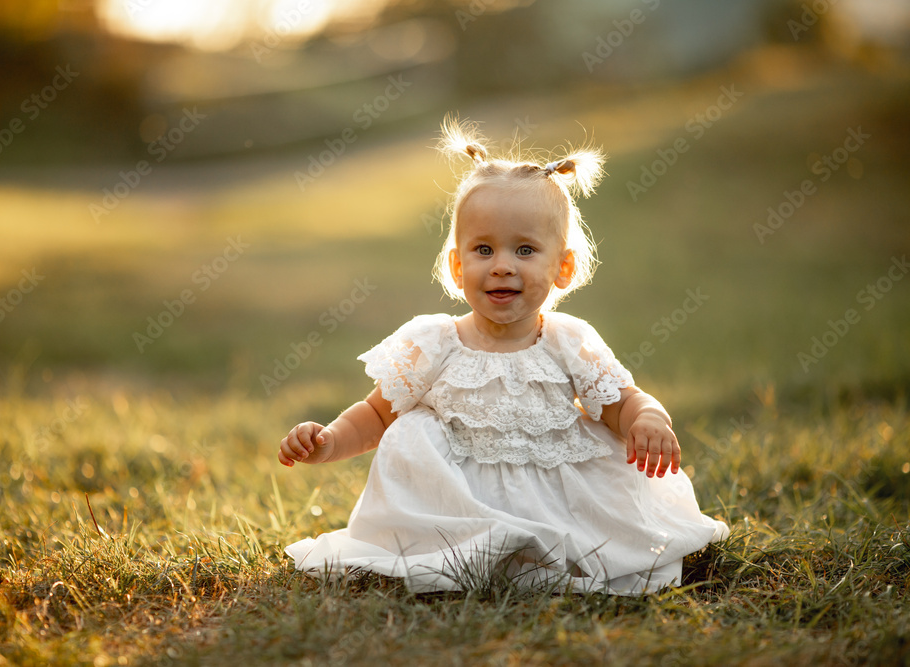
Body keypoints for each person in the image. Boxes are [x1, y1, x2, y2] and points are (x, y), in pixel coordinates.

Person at [279, 117, 728, 595]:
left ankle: (554, 547)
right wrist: (328, 441)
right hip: (460, 502)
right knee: (412, 431)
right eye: (484, 249)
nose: (502, 266)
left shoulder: (567, 340)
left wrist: (649, 419)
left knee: (597, 537)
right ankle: (464, 551)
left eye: (526, 249)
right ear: (457, 264)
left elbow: (621, 401)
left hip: (556, 493)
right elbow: (375, 415)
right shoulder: (434, 342)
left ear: (563, 266)